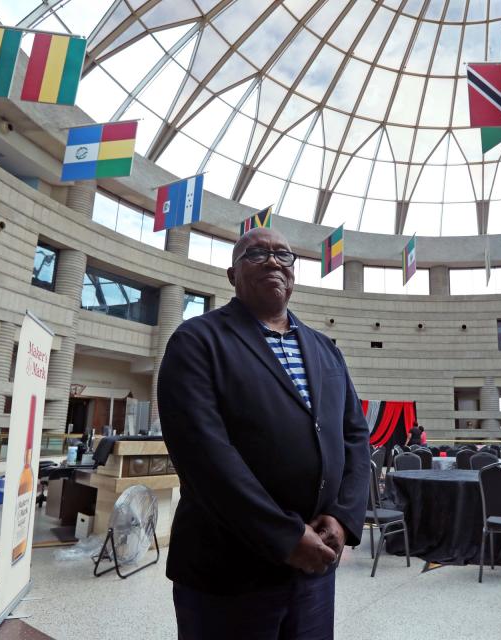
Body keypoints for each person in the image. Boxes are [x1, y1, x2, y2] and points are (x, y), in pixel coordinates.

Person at [157, 227, 370, 640]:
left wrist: (343, 518)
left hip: (314, 571)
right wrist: (285, 536)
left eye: (283, 256)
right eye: (256, 254)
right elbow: (204, 455)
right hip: (228, 572)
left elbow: (355, 436)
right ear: (232, 275)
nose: (273, 261)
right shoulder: (197, 340)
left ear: (293, 274)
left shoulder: (326, 349)